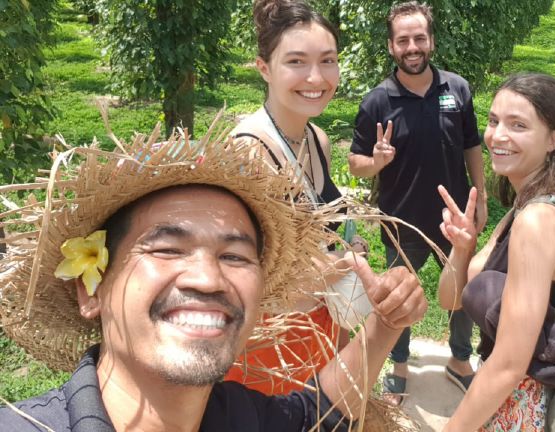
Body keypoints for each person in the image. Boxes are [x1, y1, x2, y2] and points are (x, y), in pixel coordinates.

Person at [0, 126, 427, 431]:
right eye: (167, 249)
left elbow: (322, 412)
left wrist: (386, 322)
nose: (207, 279)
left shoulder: (238, 416)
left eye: (234, 256)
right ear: (90, 289)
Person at [348, 1, 486, 402]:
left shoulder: (456, 90)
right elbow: (355, 163)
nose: (412, 47)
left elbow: (471, 144)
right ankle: (399, 363)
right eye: (403, 40)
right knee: (400, 293)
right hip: (402, 219)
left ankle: (459, 360)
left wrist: (479, 196)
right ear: (391, 46)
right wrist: (375, 162)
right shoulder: (377, 101)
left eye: (419, 38)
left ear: (431, 41)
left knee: (461, 293)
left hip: (453, 218)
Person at [228, 0, 367, 394]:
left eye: (328, 60)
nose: (316, 77)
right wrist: (342, 264)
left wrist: (345, 246)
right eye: (296, 62)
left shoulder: (317, 140)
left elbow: (319, 232)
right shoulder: (248, 153)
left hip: (320, 328)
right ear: (264, 68)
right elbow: (247, 271)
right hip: (270, 347)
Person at [436, 73, 555, 431]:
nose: (497, 136)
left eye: (518, 125)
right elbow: (450, 300)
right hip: (503, 397)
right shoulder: (523, 208)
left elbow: (509, 364)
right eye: (493, 121)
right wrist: (463, 249)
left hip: (521, 408)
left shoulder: (538, 222)